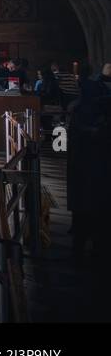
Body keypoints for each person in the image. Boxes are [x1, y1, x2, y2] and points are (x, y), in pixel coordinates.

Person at [66, 64, 111, 261]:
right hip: (95, 167)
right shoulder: (94, 111)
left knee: (85, 205)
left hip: (82, 167)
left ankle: (81, 244)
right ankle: (95, 247)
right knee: (95, 205)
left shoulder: (78, 108)